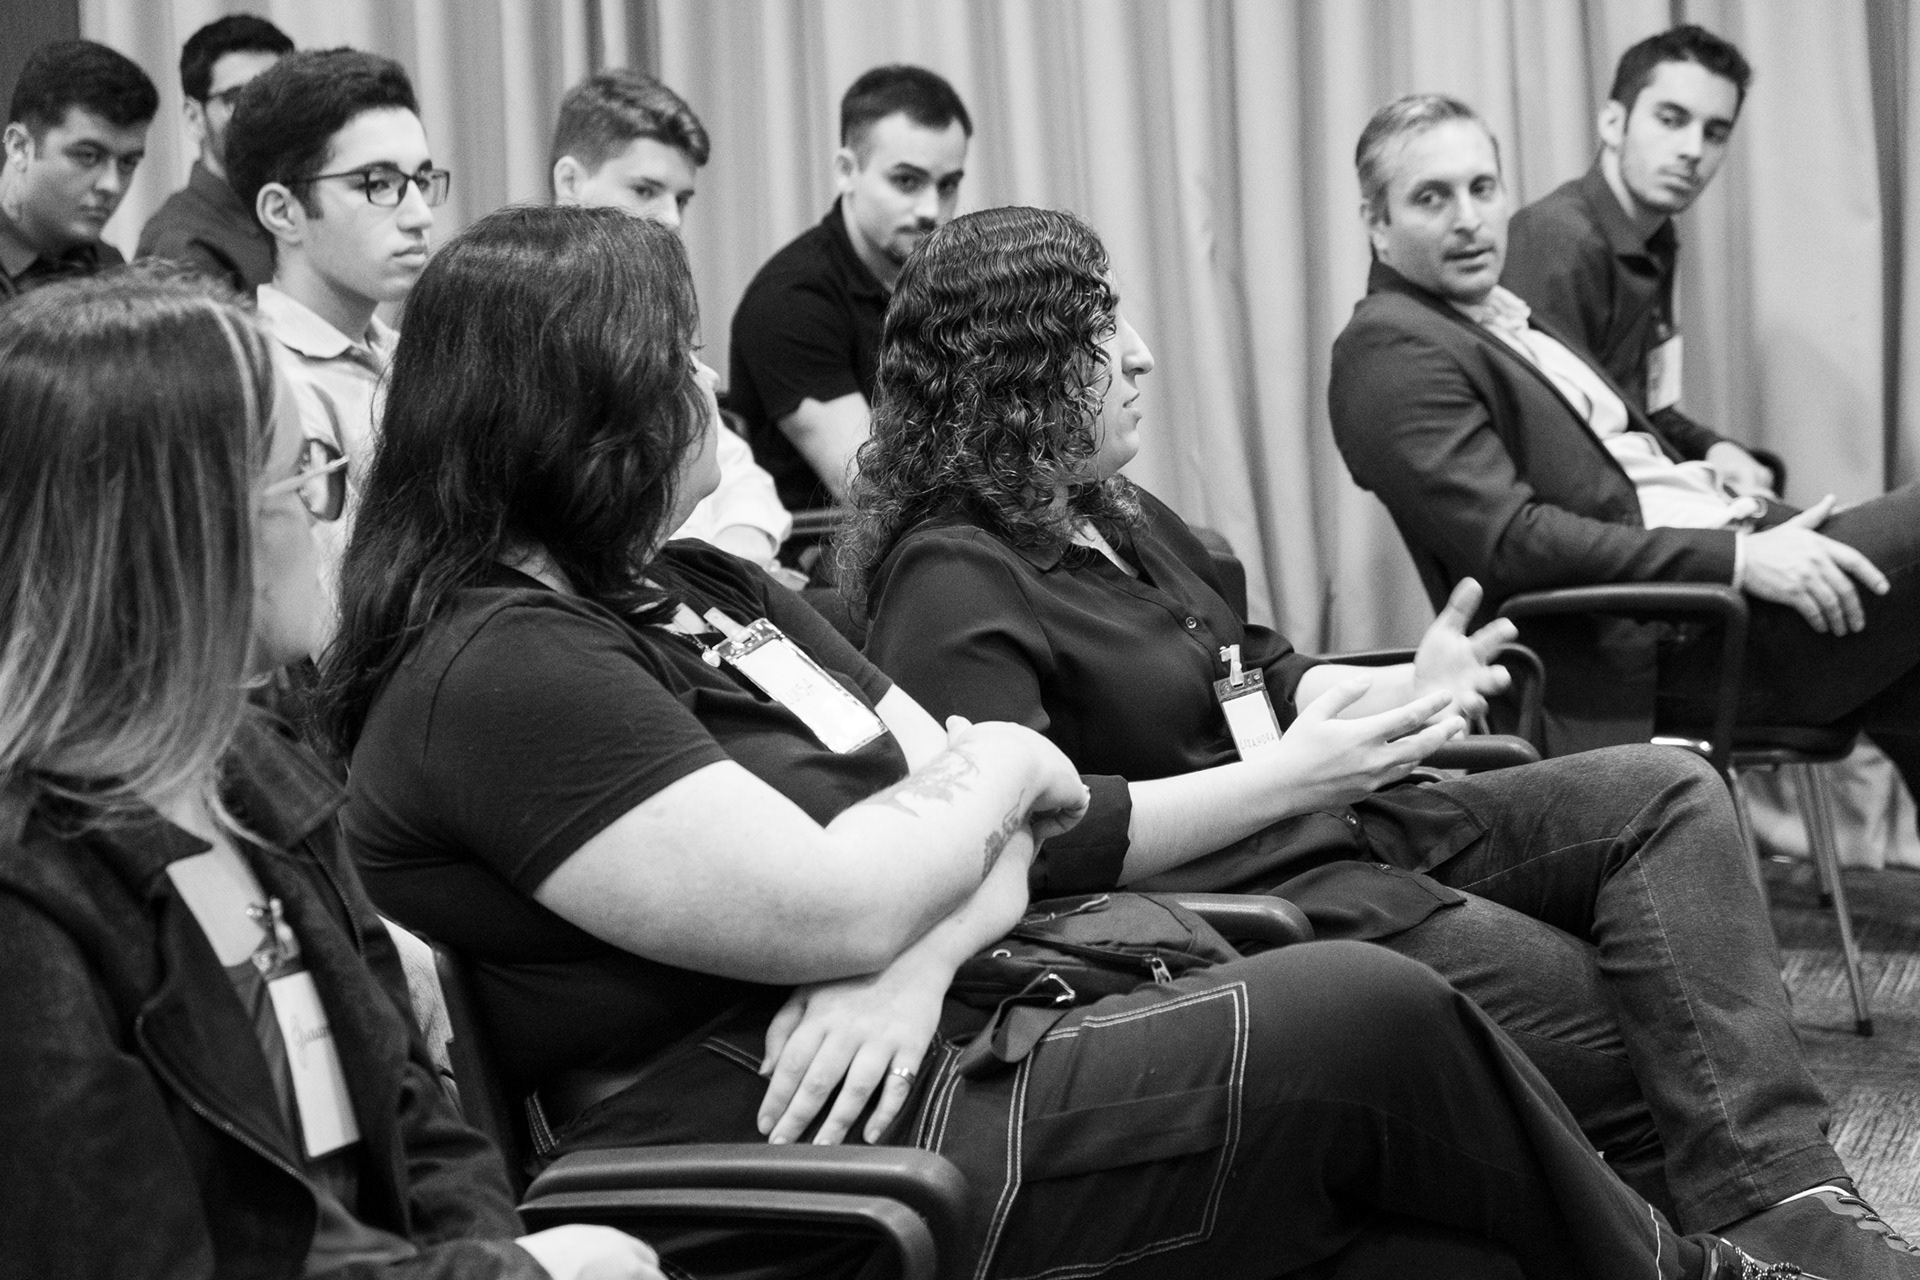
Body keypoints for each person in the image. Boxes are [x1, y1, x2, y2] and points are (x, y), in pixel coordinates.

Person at [324, 202, 1799, 1280]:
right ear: (577, 407)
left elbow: (1003, 821)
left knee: (1446, 1240)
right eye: (676, 357)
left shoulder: (705, 585)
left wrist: (933, 906)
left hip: (961, 1019)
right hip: (795, 1131)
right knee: (1374, 1016)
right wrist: (986, 803)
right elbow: (859, 881)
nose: (711, 386)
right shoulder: (502, 666)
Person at [847, 203, 1915, 1279]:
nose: (1140, 354)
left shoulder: (1116, 513)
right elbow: (1032, 848)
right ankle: (1764, 1241)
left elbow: (1263, 670)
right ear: (1017, 373)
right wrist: (1282, 782)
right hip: (1261, 906)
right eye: (1099, 332)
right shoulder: (952, 577)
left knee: (1670, 791)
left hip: (1348, 825)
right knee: (1662, 1024)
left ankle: (1784, 1210)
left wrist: (1409, 682)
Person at [0, 269, 661, 1280]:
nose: (327, 515)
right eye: (300, 476)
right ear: (184, 528)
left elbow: (417, 1120)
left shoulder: (248, 772)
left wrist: (498, 1261)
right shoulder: (30, 892)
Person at [1328, 92, 1920, 810]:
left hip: (1723, 580)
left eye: (1483, 188)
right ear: (1377, 223)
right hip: (1666, 638)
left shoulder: (1500, 316)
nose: (1468, 218)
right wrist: (1740, 558)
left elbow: (1632, 452)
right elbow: (1513, 542)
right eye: (1432, 198)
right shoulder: (1389, 347)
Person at [1503, 24, 1772, 502]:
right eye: (1671, 119)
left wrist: (1715, 449)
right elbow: (1558, 448)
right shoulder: (1557, 238)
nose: (1693, 150)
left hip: (1642, 505)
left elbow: (1644, 410)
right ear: (1612, 123)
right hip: (1597, 525)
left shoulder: (1657, 240)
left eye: (1715, 133)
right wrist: (1706, 499)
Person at [225, 48, 444, 611]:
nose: (420, 214)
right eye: (377, 183)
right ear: (283, 212)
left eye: (421, 180)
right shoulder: (270, 385)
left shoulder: (407, 356)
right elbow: (336, 624)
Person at [551, 67, 794, 575]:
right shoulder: (524, 324)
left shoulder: (643, 315)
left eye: (681, 199)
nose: (671, 219)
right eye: (645, 190)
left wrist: (735, 563)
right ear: (570, 182)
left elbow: (741, 477)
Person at [728, 64, 970, 528]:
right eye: (906, 181)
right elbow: (872, 487)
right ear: (846, 171)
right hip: (825, 552)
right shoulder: (790, 301)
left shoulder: (954, 284)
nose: (931, 210)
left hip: (944, 533)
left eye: (948, 185)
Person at [136, 14, 293, 293]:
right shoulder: (182, 243)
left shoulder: (295, 210)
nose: (262, 115)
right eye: (236, 100)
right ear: (194, 117)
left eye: (277, 96)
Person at [0, 39, 156, 300]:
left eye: (128, 162)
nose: (112, 185)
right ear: (19, 147)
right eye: (87, 156)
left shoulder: (111, 267)